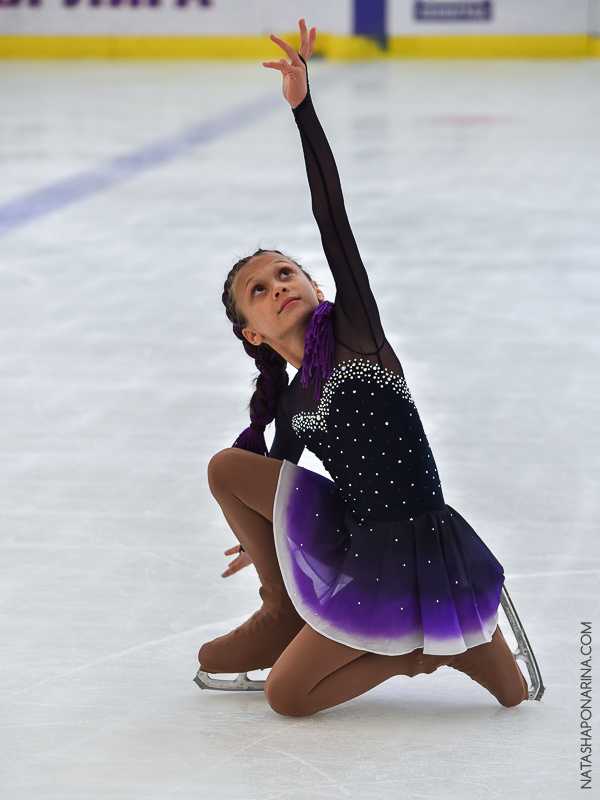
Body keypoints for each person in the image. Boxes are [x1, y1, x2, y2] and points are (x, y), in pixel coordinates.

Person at [197, 19, 529, 717]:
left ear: (317, 285)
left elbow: (332, 215)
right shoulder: (290, 407)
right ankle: (297, 615)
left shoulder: (357, 334)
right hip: (363, 542)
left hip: (423, 541)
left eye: (286, 273)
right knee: (230, 469)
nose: (280, 285)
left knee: (506, 695)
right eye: (259, 290)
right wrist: (265, 553)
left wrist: (302, 109)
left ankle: (430, 648)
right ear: (252, 334)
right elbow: (276, 492)